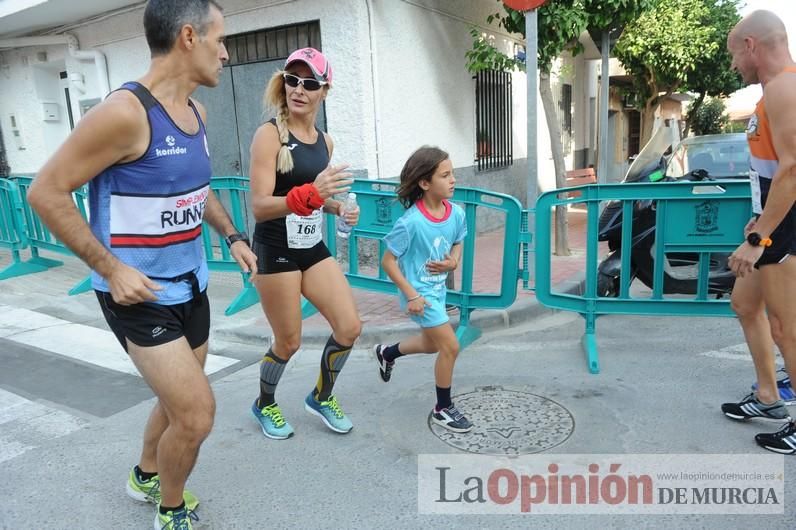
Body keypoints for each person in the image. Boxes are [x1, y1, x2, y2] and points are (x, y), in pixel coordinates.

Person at [27, 1, 257, 528]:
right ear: (188, 37)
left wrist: (232, 235)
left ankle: (145, 474)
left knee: (178, 403)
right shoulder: (125, 113)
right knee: (197, 414)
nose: (226, 53)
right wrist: (111, 270)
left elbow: (195, 191)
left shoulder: (197, 112)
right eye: (219, 39)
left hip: (190, 284)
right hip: (137, 295)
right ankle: (171, 508)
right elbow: (46, 192)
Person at [248, 48, 361, 439]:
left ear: (323, 91)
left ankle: (321, 395)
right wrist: (313, 194)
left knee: (349, 326)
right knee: (289, 340)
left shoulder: (324, 143)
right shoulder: (269, 135)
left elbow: (315, 198)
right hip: (275, 247)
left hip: (310, 245)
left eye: (309, 83)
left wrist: (336, 209)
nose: (299, 89)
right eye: (292, 80)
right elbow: (261, 206)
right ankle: (264, 403)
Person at [722, 10, 796, 455]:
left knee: (786, 327)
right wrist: (759, 220)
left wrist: (758, 238)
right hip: (772, 221)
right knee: (744, 304)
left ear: (751, 45)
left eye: (734, 54)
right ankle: (769, 397)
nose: (734, 66)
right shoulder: (774, 92)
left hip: (784, 228)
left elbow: (792, 171)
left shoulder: (786, 87)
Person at [373, 146, 473, 433]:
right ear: (425, 183)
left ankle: (388, 353)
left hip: (437, 291)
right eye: (445, 175)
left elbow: (458, 240)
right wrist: (412, 295)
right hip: (419, 294)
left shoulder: (456, 213)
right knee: (450, 346)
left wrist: (454, 261)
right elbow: (388, 262)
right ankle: (443, 407)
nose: (453, 179)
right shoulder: (411, 223)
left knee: (431, 345)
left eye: (452, 173)